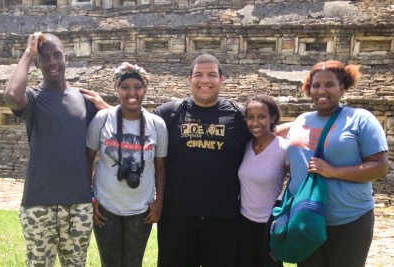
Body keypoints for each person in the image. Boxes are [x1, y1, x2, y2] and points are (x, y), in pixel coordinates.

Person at [3, 32, 109, 266]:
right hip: (39, 202)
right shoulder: (33, 98)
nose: (52, 62)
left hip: (78, 204)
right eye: (44, 58)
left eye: (57, 55)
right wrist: (29, 52)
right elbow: (11, 95)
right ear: (37, 63)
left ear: (66, 58)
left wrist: (105, 107)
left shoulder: (82, 99)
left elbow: (119, 127)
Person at [286, 60, 389, 267]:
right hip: (305, 217)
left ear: (342, 88)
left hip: (349, 219)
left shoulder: (360, 119)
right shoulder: (301, 120)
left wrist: (333, 171)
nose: (321, 90)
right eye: (316, 85)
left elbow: (380, 166)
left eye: (329, 85)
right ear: (309, 89)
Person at [153, 53, 247, 267]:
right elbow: (136, 126)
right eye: (199, 75)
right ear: (189, 79)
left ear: (222, 79)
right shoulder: (169, 113)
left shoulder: (238, 114)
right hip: (177, 217)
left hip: (223, 218)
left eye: (212, 75)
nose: (205, 80)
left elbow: (266, 135)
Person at [86, 62, 168, 267]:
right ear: (117, 89)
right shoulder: (103, 119)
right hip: (105, 206)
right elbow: (87, 160)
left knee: (134, 263)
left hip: (141, 209)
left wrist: (158, 202)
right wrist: (90, 198)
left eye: (138, 87)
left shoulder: (156, 124)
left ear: (145, 90)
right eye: (125, 87)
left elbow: (160, 167)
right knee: (110, 263)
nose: (132, 93)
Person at [238, 94, 288, 267]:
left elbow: (297, 183)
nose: (254, 123)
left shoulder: (283, 148)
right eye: (250, 117)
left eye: (261, 117)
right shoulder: (243, 145)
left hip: (270, 224)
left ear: (272, 118)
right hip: (243, 223)